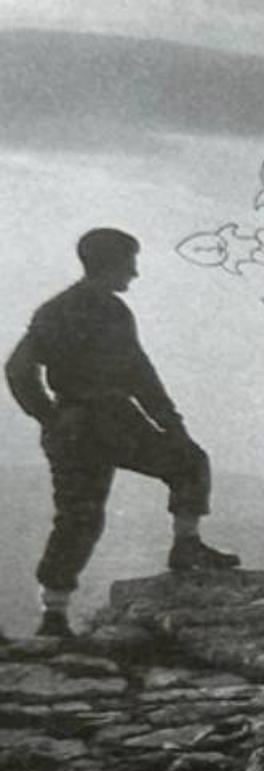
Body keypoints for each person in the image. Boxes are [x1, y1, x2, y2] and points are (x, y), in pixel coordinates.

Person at [5, 228, 240, 638]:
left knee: (77, 519)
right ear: (110, 263)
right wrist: (171, 425)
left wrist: (51, 418)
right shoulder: (111, 312)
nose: (134, 272)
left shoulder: (54, 310)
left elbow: (18, 369)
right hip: (109, 419)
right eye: (129, 262)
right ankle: (186, 548)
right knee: (188, 461)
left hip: (75, 424)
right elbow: (140, 374)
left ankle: (54, 616)